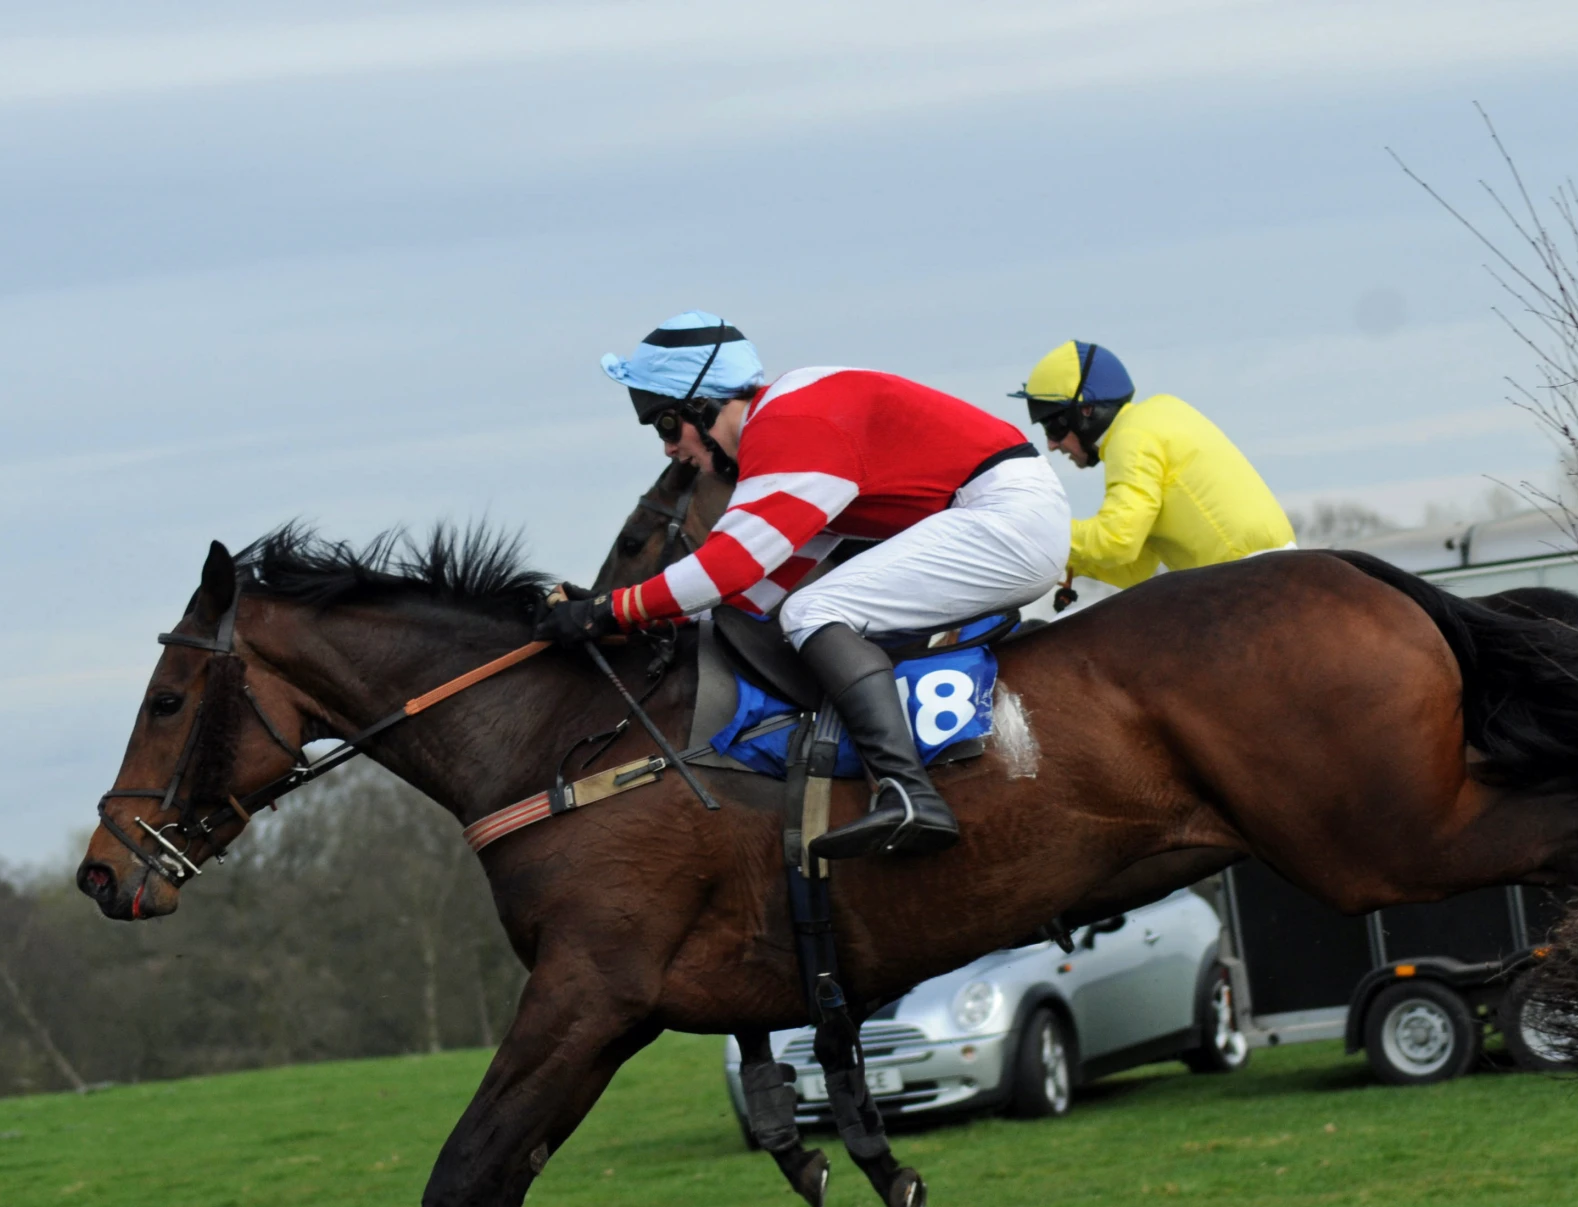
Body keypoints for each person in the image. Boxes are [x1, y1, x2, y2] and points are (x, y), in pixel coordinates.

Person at [539, 311, 1070, 858]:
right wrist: (637, 619)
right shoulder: (793, 427)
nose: (669, 449)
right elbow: (754, 591)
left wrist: (611, 609)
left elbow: (729, 566)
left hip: (1005, 518)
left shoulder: (789, 423)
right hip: (1002, 514)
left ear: (702, 405)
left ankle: (909, 793)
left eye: (666, 426)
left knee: (813, 611)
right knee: (800, 608)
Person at [1012, 341, 1295, 599]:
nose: (1051, 444)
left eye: (1053, 425)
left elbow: (1116, 540)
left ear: (1086, 411)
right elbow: (1136, 566)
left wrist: (1035, 533)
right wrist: (1059, 558)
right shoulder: (1153, 419)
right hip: (1269, 570)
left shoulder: (1131, 437)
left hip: (1246, 583)